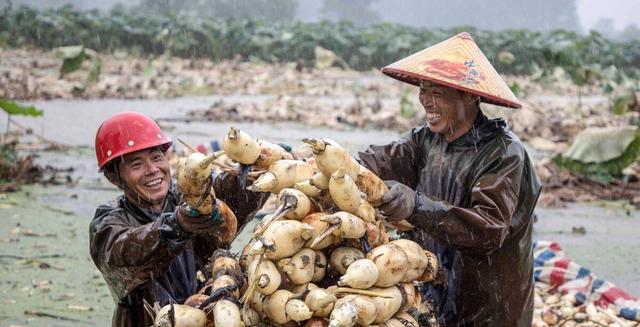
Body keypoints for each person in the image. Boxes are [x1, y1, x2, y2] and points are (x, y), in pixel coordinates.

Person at [358, 32, 541, 326]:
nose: (426, 102)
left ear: (469, 95)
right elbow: (381, 160)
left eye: (437, 93)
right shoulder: (427, 140)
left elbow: (488, 230)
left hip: (490, 307)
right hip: (437, 294)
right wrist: (337, 165)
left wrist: (415, 207)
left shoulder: (504, 155)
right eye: (423, 90)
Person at [89, 112, 266, 326]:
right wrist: (177, 225)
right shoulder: (108, 223)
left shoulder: (188, 193)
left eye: (156, 157)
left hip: (212, 315)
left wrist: (261, 166)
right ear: (113, 176)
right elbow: (126, 251)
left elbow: (234, 194)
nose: (152, 170)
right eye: (136, 165)